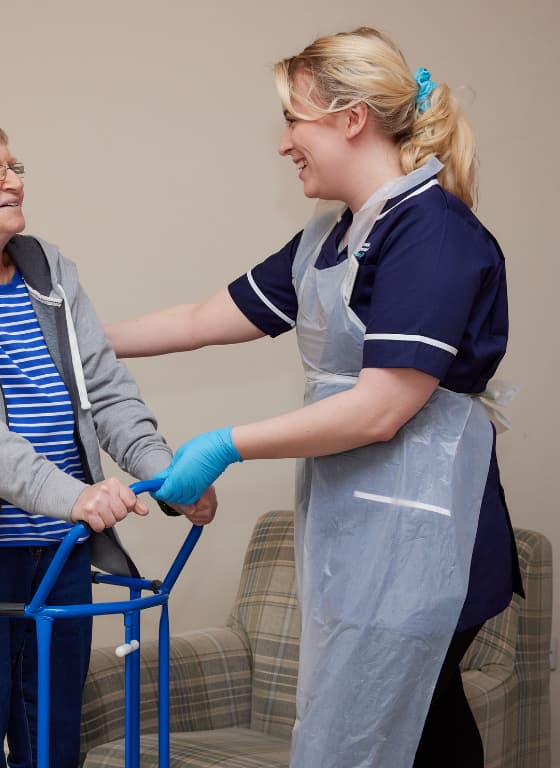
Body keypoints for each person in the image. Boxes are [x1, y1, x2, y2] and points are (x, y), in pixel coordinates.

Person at [107, 27, 522, 768]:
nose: (283, 143)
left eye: (294, 120)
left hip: (428, 541)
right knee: (400, 725)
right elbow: (205, 319)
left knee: (411, 726)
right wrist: (68, 343)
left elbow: (381, 408)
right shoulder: (330, 239)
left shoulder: (433, 235)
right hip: (359, 529)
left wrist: (226, 443)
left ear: (351, 118)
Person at [0, 113, 215, 768]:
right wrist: (75, 495)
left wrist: (170, 475)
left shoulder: (50, 271)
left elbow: (107, 388)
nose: (13, 182)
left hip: (59, 551)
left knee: (55, 744)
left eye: (14, 167)